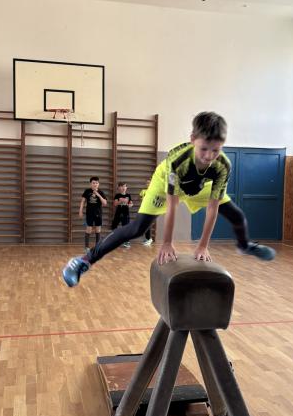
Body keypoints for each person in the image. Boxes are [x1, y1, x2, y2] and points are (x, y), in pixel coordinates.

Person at [63, 112, 275, 287]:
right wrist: (166, 243)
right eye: (203, 149)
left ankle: (244, 245)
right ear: (193, 139)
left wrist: (202, 246)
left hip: (199, 186)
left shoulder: (223, 165)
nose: (209, 156)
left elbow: (213, 208)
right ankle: (83, 261)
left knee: (237, 215)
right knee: (137, 228)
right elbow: (172, 204)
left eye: (216, 150)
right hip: (165, 182)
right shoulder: (178, 161)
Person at [79, 176, 107, 250]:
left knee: (98, 230)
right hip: (89, 213)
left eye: (96, 183)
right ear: (90, 184)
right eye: (93, 183)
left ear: (98, 184)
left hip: (98, 213)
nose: (95, 184)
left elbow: (105, 203)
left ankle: (97, 247)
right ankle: (86, 247)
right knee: (88, 229)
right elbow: (83, 201)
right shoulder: (87, 191)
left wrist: (98, 195)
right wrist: (80, 211)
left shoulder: (101, 192)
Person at [111, 182, 133, 249]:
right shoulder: (117, 195)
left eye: (124, 186)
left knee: (126, 228)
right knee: (114, 226)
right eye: (121, 186)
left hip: (126, 214)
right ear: (118, 188)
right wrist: (120, 201)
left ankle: (127, 242)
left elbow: (131, 203)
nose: (123, 188)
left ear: (126, 188)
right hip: (118, 213)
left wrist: (130, 205)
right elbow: (115, 204)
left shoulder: (128, 195)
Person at [139, 180, 154, 246]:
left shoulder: (154, 191)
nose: (148, 184)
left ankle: (149, 239)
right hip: (143, 210)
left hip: (150, 210)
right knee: (144, 225)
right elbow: (140, 198)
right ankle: (147, 238)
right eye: (147, 183)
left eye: (149, 183)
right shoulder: (143, 191)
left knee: (148, 225)